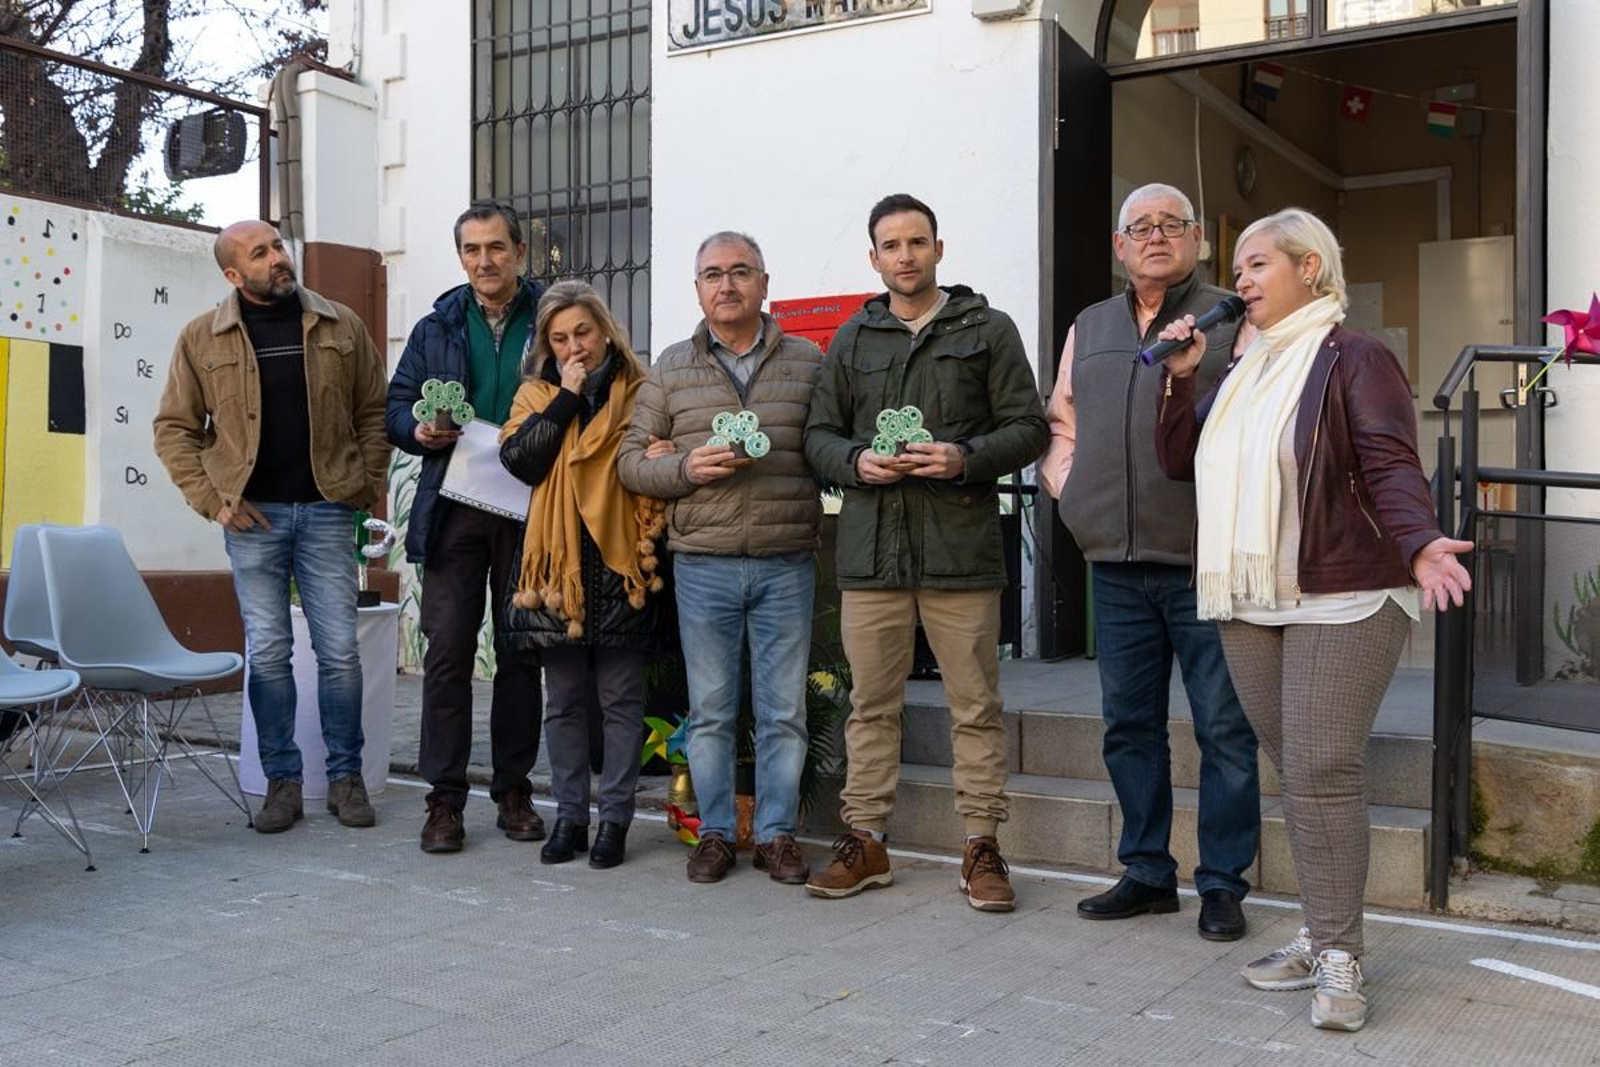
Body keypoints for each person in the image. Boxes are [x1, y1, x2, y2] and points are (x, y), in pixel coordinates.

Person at [1153, 207, 1472, 1032]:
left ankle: (1339, 954)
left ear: (1312, 270)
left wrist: (1420, 542)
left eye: (1258, 265)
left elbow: (1389, 459)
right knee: (1297, 768)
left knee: (1324, 766)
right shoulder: (1240, 368)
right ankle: (1321, 926)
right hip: (1253, 596)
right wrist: (1186, 376)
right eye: (1240, 269)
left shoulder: (1354, 356)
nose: (1242, 282)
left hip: (1345, 590)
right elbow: (1183, 460)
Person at [803, 194, 1048, 912]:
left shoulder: (988, 329)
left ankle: (981, 845)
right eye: (891, 244)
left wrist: (964, 456)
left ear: (939, 247)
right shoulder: (852, 339)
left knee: (975, 705)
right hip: (873, 556)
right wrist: (853, 463)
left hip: (960, 548)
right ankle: (867, 838)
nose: (905, 255)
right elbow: (818, 435)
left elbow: (1028, 427)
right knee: (870, 704)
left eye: (917, 242)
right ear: (873, 258)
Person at [1041, 183, 1260, 941]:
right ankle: (1146, 870)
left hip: (1206, 560)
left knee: (1223, 728)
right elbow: (1060, 421)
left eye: (1172, 224)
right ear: (1119, 245)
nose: (1156, 236)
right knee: (1128, 724)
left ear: (1198, 238)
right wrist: (1075, 497)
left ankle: (1224, 882)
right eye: (1141, 226)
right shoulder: (1093, 324)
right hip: (1117, 561)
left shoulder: (1233, 316)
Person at [154, 220, 390, 833]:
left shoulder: (339, 323)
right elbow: (175, 429)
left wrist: (363, 483)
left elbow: (372, 410)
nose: (278, 259)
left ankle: (345, 780)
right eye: (260, 253)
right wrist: (214, 501)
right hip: (251, 519)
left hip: (327, 511)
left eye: (278, 246)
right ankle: (281, 783)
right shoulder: (201, 338)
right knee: (269, 653)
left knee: (339, 651)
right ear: (234, 274)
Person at [618, 231, 825, 886]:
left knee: (784, 709)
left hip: (785, 556)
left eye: (741, 272)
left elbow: (831, 447)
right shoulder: (672, 367)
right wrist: (683, 466)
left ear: (766, 282)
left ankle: (776, 834)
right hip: (702, 561)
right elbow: (629, 464)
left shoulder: (808, 361)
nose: (727, 284)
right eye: (713, 273)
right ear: (698, 287)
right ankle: (711, 832)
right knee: (709, 708)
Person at [386, 202, 547, 855]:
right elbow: (397, 405)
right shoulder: (437, 325)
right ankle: (444, 801)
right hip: (453, 508)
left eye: (496, 248)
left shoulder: (553, 318)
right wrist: (418, 431)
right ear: (462, 258)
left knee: (521, 652)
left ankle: (514, 790)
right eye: (473, 250)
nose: (485, 261)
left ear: (519, 252)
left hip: (531, 507)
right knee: (447, 653)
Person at [498, 281, 672, 870]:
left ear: (605, 330)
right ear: (548, 344)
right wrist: (566, 399)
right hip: (556, 574)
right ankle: (571, 815)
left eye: (583, 333)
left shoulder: (642, 392)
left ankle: (615, 820)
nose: (575, 347)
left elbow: (660, 460)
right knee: (565, 702)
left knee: (622, 702)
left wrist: (666, 451)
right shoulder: (536, 396)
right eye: (560, 337)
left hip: (623, 567)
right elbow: (522, 461)